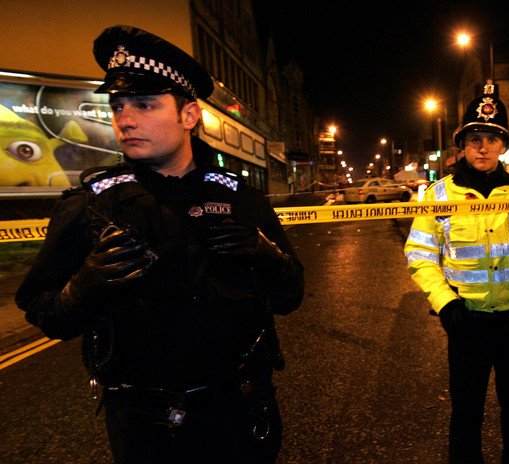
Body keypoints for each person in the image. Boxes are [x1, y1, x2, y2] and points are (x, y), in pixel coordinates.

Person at [15, 25, 303, 464]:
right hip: (147, 430)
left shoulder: (239, 197)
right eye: (117, 107)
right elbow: (42, 307)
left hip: (242, 413)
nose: (125, 120)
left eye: (145, 104)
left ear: (190, 116)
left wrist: (268, 256)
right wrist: (81, 290)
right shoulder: (91, 207)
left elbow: (290, 295)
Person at [404, 83, 509, 463]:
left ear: (503, 145)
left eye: (491, 138)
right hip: (466, 322)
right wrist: (445, 303)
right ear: (462, 145)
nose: (483, 147)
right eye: (475, 138)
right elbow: (421, 256)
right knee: (466, 416)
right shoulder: (438, 196)